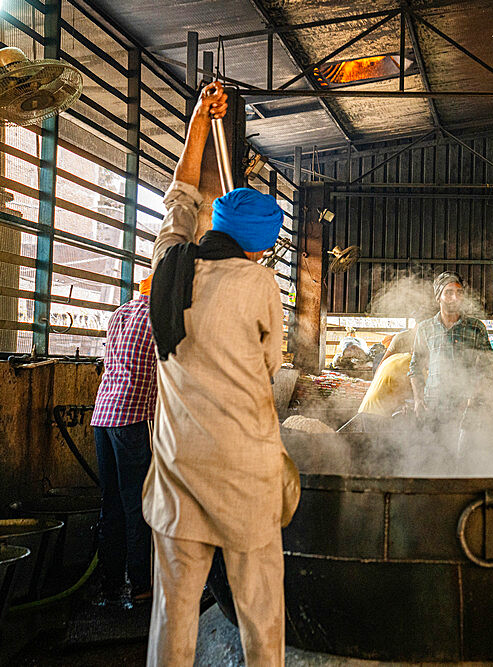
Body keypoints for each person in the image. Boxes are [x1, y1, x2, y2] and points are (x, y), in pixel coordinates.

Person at [143, 81, 295, 666]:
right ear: (262, 248)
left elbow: (180, 193)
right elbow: (270, 365)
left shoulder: (170, 261)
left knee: (173, 615)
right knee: (262, 616)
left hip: (181, 471)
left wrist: (198, 123)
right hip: (246, 477)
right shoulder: (259, 284)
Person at [90, 274, 156, 608]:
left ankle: (110, 586)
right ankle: (142, 587)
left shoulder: (120, 313)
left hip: (102, 415)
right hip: (131, 419)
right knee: (137, 505)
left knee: (110, 504)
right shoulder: (160, 318)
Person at [408, 272, 493, 427]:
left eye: (459, 292)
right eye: (448, 292)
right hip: (433, 404)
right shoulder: (425, 328)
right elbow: (415, 367)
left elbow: (488, 368)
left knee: (464, 449)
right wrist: (418, 400)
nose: (455, 297)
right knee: (433, 449)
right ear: (438, 297)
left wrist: (473, 398)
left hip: (467, 405)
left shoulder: (476, 327)